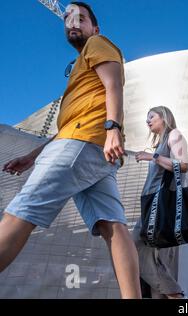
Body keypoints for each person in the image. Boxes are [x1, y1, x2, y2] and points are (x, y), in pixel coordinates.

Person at [0, 2, 141, 298]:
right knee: (112, 226)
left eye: (80, 17)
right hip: (90, 149)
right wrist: (32, 156)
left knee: (20, 211)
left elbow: (114, 84)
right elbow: (69, 126)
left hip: (84, 143)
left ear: (95, 27)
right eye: (67, 18)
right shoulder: (81, 68)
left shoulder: (98, 43)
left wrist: (113, 127)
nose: (71, 21)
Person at [133, 106, 188, 299]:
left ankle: (175, 294)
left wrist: (153, 157)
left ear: (164, 117)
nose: (147, 121)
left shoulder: (174, 135)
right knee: (152, 255)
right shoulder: (160, 143)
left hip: (160, 206)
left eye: (151, 116)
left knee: (137, 246)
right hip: (150, 205)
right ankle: (171, 293)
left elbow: (183, 166)